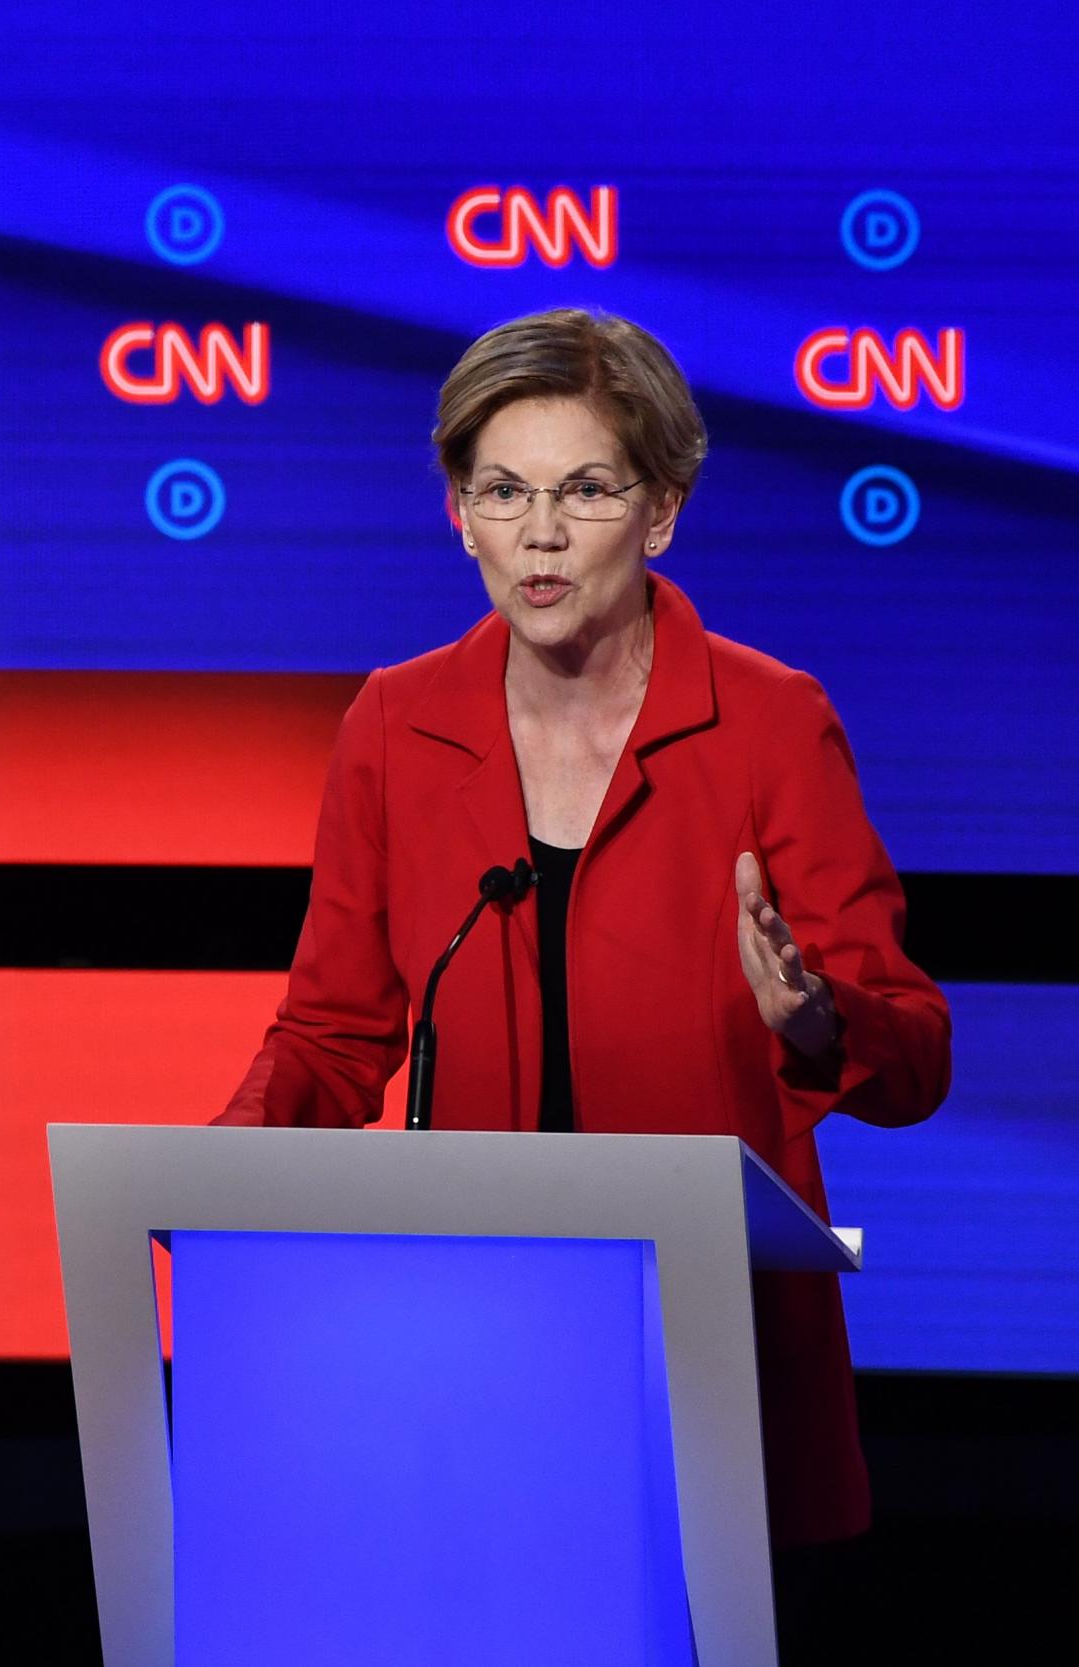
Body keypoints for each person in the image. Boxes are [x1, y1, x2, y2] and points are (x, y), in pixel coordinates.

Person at [216, 309, 949, 1593]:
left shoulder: (770, 723)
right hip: (477, 1334)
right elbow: (334, 1031)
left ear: (660, 511)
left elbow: (914, 1048)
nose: (539, 533)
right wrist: (210, 1171)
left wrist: (817, 1019)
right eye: (501, 490)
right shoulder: (395, 724)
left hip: (706, 1333)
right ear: (458, 513)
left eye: (585, 489)